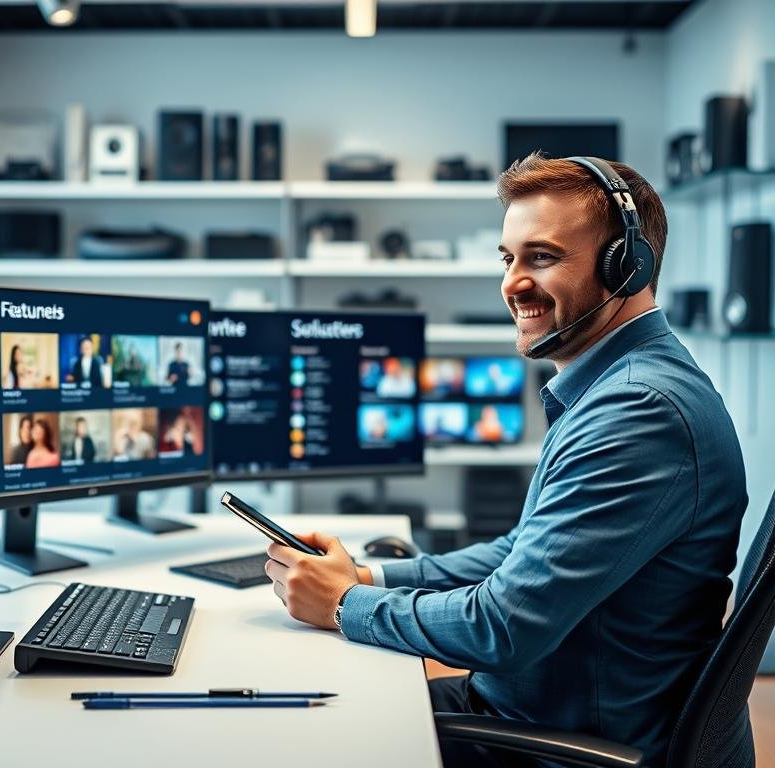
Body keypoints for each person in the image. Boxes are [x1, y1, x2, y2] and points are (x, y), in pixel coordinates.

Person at [262, 154, 748, 767]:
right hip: (539, 713)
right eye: (508, 258)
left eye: (541, 258)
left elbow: (503, 628)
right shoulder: (618, 385)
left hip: (564, 746)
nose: (512, 283)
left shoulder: (637, 411)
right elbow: (520, 551)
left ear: (627, 266)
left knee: (302, 739)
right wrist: (368, 578)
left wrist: (340, 605)